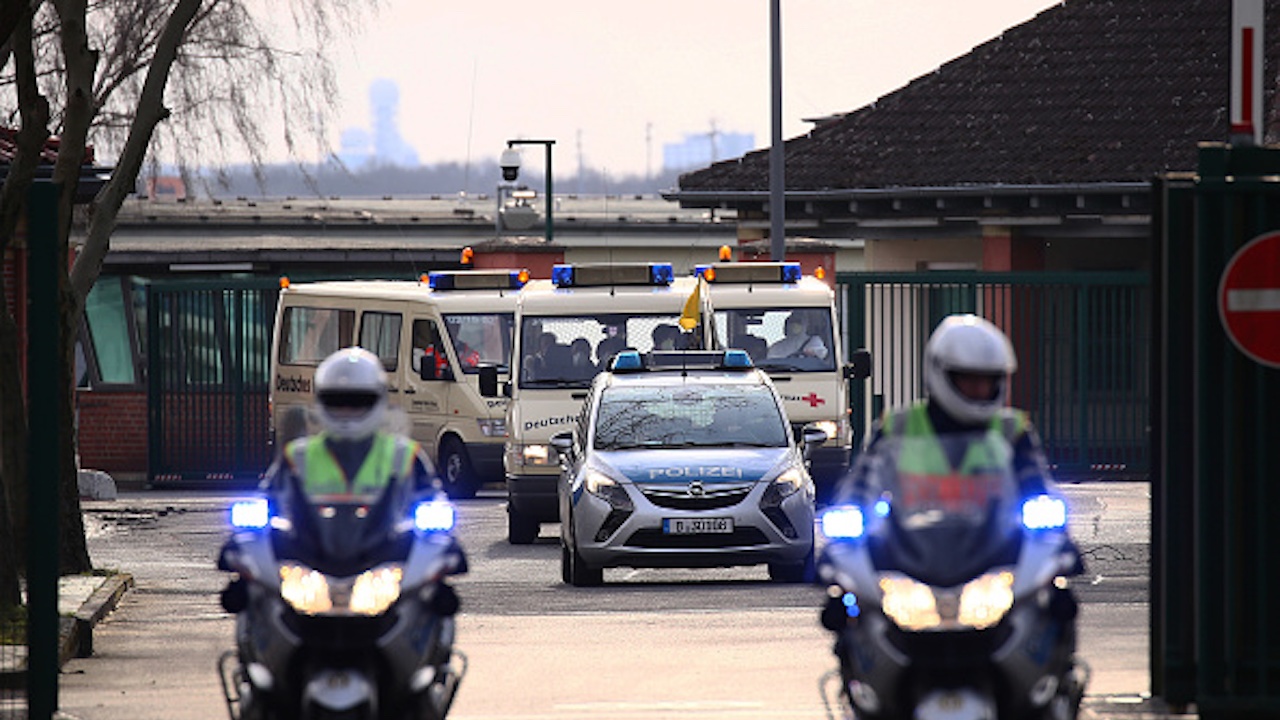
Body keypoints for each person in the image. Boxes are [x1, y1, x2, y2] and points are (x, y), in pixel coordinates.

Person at [833, 313, 1055, 505]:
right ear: (941, 372)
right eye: (968, 379)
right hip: (905, 551)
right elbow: (862, 486)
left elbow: (1035, 485)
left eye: (988, 380)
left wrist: (1043, 511)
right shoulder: (898, 427)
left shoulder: (1011, 431)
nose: (980, 388)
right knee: (837, 552)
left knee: (1063, 551)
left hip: (999, 552)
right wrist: (854, 509)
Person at [268, 347, 440, 500]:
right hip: (310, 537)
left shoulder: (405, 456)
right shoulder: (298, 457)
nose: (347, 411)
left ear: (378, 401)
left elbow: (433, 505)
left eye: (358, 402)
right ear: (321, 401)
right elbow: (269, 501)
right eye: (337, 402)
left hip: (390, 537)